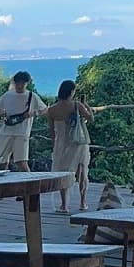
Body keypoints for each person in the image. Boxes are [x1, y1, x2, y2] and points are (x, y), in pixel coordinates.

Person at [45, 81, 95, 213]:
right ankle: (83, 202)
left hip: (61, 143)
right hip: (78, 143)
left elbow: (51, 131)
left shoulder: (52, 109)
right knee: (82, 172)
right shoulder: (77, 105)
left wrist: (55, 144)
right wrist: (87, 106)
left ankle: (64, 205)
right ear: (71, 92)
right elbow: (91, 118)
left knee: (63, 173)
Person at [0, 71, 45, 172]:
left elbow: (44, 109)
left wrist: (33, 113)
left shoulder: (32, 96)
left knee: (21, 162)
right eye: (17, 83)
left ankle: (29, 181)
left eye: (22, 83)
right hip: (5, 132)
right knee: (1, 162)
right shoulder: (7, 95)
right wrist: (0, 111)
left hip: (21, 133)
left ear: (26, 83)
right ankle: (3, 181)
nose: (19, 86)